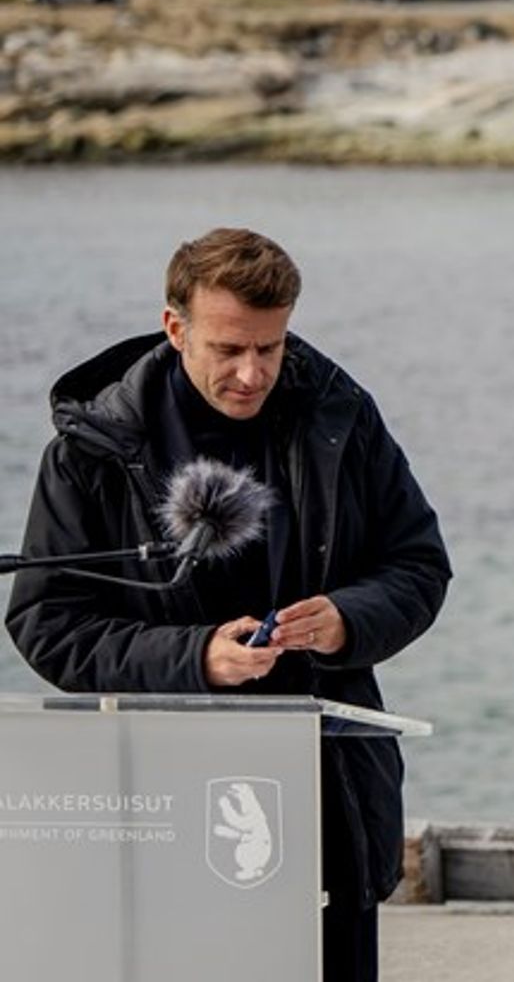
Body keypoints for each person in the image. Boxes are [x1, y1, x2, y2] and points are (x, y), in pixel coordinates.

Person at [8, 228, 452, 982]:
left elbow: (417, 563)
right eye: (228, 349)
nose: (252, 373)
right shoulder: (90, 449)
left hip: (327, 793)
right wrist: (195, 658)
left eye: (271, 348)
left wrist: (348, 619)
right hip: (160, 803)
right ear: (175, 327)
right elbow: (47, 623)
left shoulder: (339, 413)